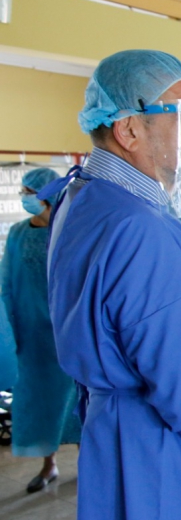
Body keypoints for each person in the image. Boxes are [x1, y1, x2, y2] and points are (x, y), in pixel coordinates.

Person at [40, 50, 181, 520]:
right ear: (129, 130)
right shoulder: (138, 227)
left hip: (119, 437)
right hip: (168, 453)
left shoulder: (83, 198)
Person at [0, 168, 80, 492]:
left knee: (75, 401)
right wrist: (9, 329)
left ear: (46, 194)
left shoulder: (69, 229)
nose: (24, 198)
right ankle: (49, 465)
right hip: (32, 335)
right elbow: (6, 282)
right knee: (39, 401)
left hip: (68, 333)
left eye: (28, 191)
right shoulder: (18, 233)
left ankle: (86, 461)